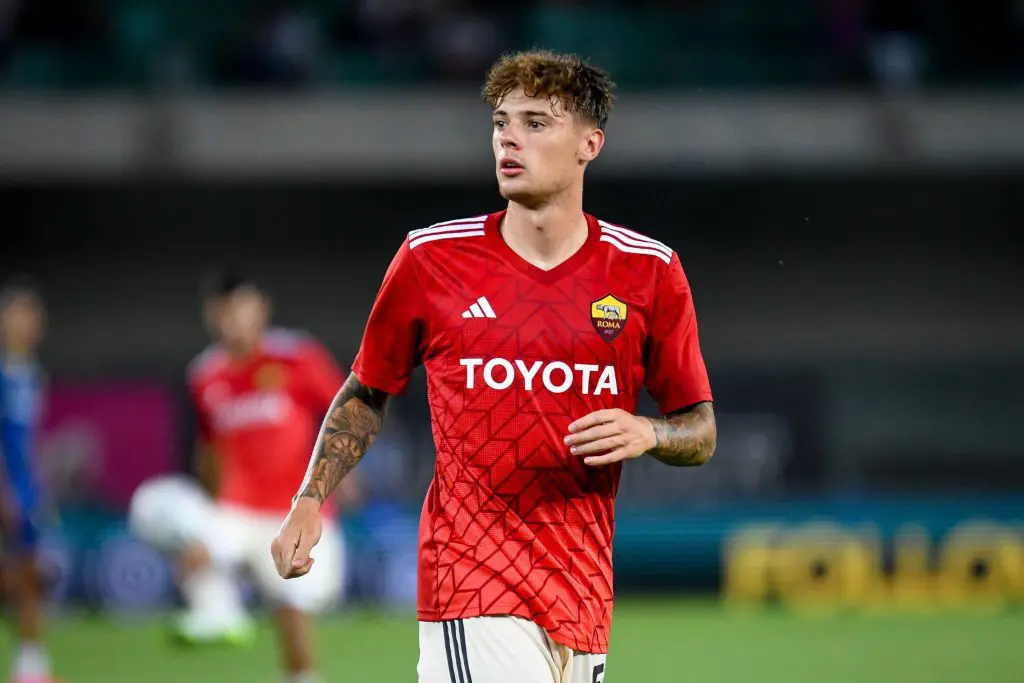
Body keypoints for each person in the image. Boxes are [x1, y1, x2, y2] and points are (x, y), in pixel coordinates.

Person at [271, 50, 718, 683]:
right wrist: (310, 499)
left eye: (536, 123)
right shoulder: (430, 260)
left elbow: (700, 430)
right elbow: (367, 392)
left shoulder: (648, 271)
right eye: (501, 123)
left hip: (583, 590)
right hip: (470, 580)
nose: (509, 138)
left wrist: (649, 432)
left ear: (590, 144)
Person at [129, 269, 351, 683]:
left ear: (262, 309)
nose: (233, 319)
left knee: (293, 602)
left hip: (294, 511)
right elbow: (209, 451)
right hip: (235, 512)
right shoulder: (204, 374)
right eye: (224, 310)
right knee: (153, 506)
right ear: (211, 315)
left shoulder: (297, 356)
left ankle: (302, 676)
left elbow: (349, 412)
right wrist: (201, 524)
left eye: (242, 308)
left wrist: (342, 473)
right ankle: (219, 612)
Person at [0, 279, 60, 683]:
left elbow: (27, 441)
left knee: (32, 577)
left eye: (33, 317)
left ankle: (31, 668)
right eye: (19, 316)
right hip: (6, 488)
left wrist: (36, 489)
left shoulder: (32, 373)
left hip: (25, 489)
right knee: (25, 577)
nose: (27, 325)